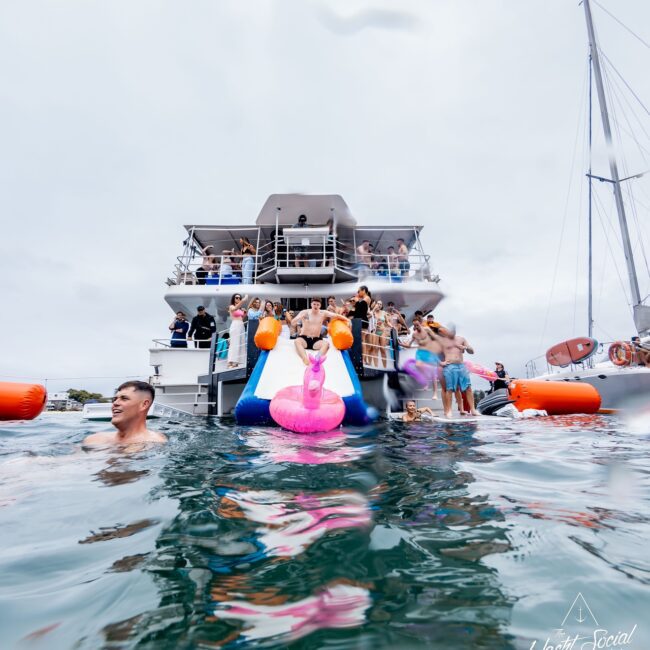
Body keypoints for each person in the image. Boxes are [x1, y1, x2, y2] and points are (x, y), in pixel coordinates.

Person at [83, 381, 167, 446]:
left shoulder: (154, 443)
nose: (115, 403)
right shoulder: (94, 440)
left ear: (144, 404)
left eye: (124, 398)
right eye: (115, 399)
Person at [434, 326, 479, 418]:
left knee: (468, 388)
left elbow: (472, 351)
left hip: (461, 366)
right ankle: (449, 410)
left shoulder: (461, 339)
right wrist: (440, 362)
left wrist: (465, 347)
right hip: (450, 366)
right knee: (449, 389)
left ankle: (473, 410)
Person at [293, 298, 351, 365]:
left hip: (316, 340)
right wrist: (298, 318)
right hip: (304, 338)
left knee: (326, 344)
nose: (316, 306)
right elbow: (292, 323)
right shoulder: (304, 312)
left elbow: (336, 316)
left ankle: (317, 358)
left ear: (320, 306)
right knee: (297, 341)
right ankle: (304, 358)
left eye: (318, 304)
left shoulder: (323, 313)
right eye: (314, 304)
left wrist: (347, 320)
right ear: (311, 304)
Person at [411, 319, 443, 399]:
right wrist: (402, 344)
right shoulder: (414, 334)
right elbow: (409, 344)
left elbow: (435, 337)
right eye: (414, 325)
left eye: (417, 325)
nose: (416, 327)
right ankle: (426, 382)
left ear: (420, 324)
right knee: (418, 365)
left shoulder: (427, 329)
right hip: (420, 352)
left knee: (433, 373)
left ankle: (435, 393)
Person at [350, 285, 372, 365]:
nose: (358, 293)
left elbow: (361, 305)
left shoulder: (367, 298)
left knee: (362, 341)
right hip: (358, 321)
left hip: (362, 321)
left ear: (364, 290)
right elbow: (357, 310)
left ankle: (364, 360)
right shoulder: (361, 299)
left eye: (359, 291)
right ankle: (359, 358)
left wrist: (356, 299)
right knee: (358, 341)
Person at [227, 293, 248, 368]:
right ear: (233, 298)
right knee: (234, 343)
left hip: (241, 325)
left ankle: (237, 361)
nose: (238, 299)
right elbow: (234, 309)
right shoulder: (231, 306)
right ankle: (231, 362)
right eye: (236, 298)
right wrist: (243, 300)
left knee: (240, 342)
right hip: (235, 325)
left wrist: (245, 313)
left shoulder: (239, 308)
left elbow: (241, 318)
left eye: (239, 298)